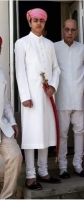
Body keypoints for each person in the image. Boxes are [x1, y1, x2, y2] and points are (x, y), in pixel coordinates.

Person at [15, 8, 61, 190]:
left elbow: (56, 69)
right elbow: (19, 70)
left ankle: (43, 171)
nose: (38, 23)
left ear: (44, 23)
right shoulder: (22, 43)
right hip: (31, 98)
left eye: (41, 21)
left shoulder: (50, 44)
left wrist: (53, 87)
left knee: (45, 134)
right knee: (31, 136)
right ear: (29, 22)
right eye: (35, 20)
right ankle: (30, 175)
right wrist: (25, 96)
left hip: (47, 96)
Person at [54, 19, 84, 179]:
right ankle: (62, 167)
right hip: (61, 97)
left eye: (73, 30)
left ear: (76, 32)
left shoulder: (83, 49)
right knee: (62, 134)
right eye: (67, 29)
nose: (70, 33)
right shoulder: (54, 48)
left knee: (80, 132)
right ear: (63, 30)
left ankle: (77, 164)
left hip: (78, 97)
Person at [0, 36, 22, 199]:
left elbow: (6, 101)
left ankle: (6, 197)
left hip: (2, 126)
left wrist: (13, 122)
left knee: (15, 156)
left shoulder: (0, 72)